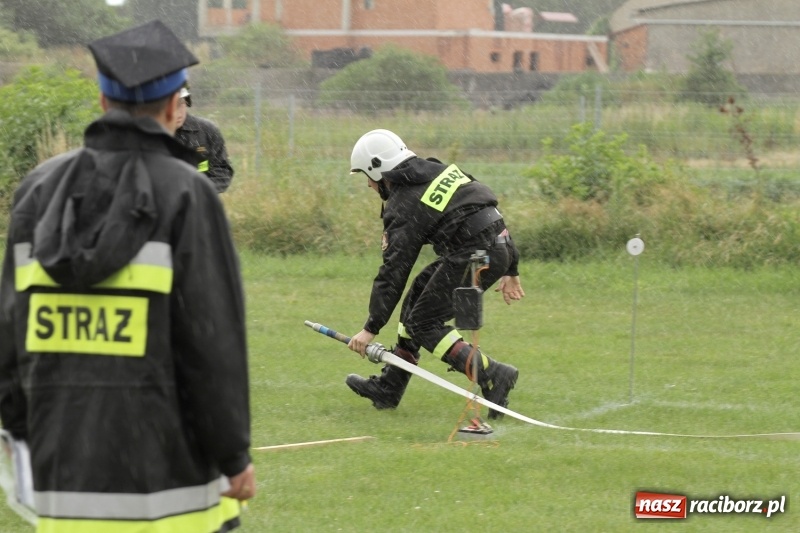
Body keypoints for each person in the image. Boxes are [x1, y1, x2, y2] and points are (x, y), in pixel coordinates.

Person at [0, 20, 254, 532]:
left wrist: (23, 429)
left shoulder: (36, 190)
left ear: (101, 101)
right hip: (174, 488)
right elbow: (211, 342)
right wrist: (233, 454)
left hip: (64, 479)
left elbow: (10, 332)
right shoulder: (188, 194)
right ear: (171, 109)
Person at [345, 129, 525, 419]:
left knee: (423, 324)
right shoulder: (436, 169)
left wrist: (370, 328)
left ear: (379, 170)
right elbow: (489, 211)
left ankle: (493, 374)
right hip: (492, 247)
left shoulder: (404, 202)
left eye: (367, 176)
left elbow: (393, 271)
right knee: (416, 298)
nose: (367, 184)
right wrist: (510, 264)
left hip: (475, 253)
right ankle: (390, 386)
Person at [175, 84, 235, 193]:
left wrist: (199, 192)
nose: (177, 112)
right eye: (171, 106)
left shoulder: (207, 131)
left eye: (180, 104)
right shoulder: (148, 134)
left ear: (187, 102)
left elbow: (222, 171)